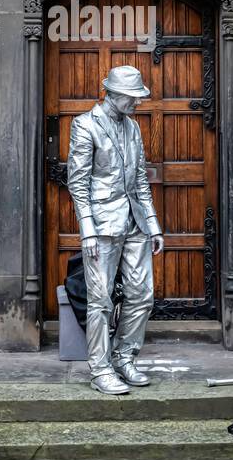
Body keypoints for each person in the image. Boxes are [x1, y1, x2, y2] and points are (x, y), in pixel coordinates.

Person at [65, 65, 165, 395]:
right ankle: (100, 368)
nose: (137, 103)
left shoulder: (134, 128)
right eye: (133, 98)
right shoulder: (85, 125)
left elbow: (139, 179)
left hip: (135, 221)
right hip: (103, 225)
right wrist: (88, 232)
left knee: (142, 294)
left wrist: (153, 225)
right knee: (100, 300)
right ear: (114, 94)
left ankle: (124, 357)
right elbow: (78, 183)